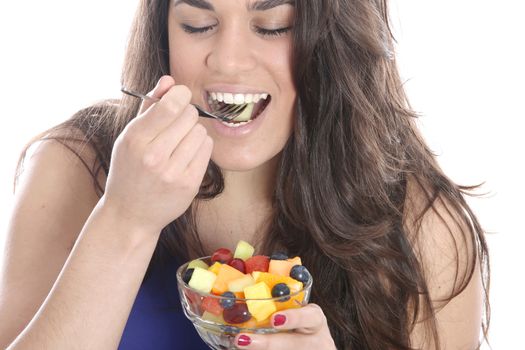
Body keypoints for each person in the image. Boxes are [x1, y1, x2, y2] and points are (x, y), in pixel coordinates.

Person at [0, 0, 490, 349]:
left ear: (336, 41)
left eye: (273, 25)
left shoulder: (426, 229)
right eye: (196, 23)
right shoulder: (72, 168)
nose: (228, 59)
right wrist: (124, 220)